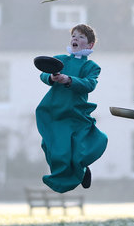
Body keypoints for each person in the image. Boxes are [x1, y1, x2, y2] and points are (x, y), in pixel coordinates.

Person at [35, 24, 108, 193]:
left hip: (75, 112)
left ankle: (82, 169)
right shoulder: (59, 60)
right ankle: (73, 173)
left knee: (81, 147)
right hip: (54, 111)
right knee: (54, 149)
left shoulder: (91, 67)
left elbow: (90, 84)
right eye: (74, 35)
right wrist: (52, 78)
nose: (75, 38)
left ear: (90, 45)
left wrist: (68, 80)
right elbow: (43, 74)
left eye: (81, 37)